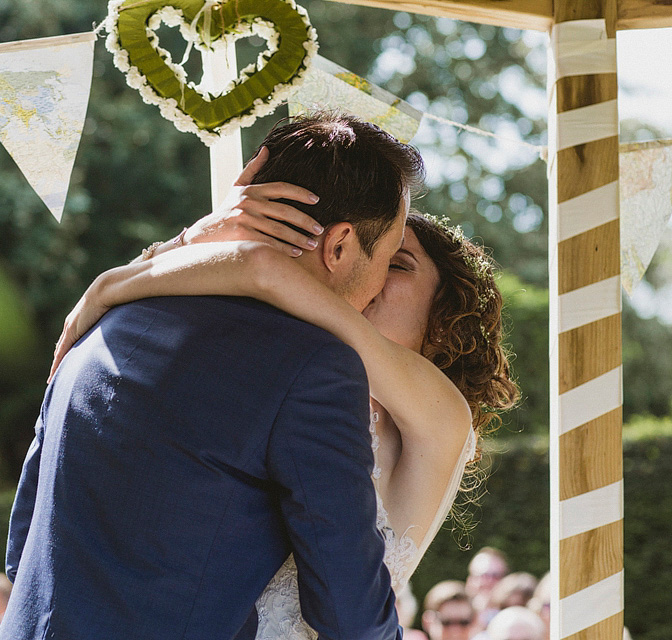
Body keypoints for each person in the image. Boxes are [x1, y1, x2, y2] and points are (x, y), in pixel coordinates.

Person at [49, 122, 519, 638]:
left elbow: (261, 268)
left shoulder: (440, 412)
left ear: (443, 323)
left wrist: (110, 284)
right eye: (384, 257)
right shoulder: (288, 379)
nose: (379, 276)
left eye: (398, 264)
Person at [466, 548, 510, 629]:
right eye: (484, 575)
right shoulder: (455, 619)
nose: (489, 581)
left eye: (495, 576)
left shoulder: (513, 615)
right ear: (470, 580)